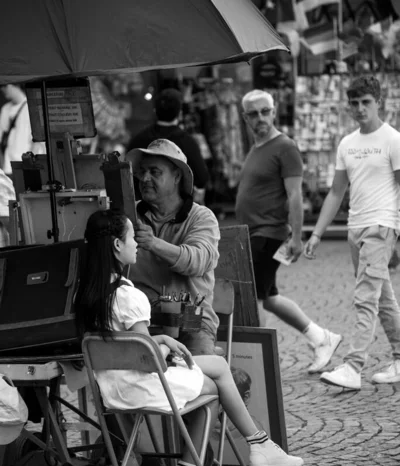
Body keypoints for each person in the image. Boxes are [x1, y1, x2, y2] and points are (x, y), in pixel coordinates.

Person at [75, 210, 304, 466]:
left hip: (113, 389)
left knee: (217, 370)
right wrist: (167, 346)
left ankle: (254, 448)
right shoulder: (129, 297)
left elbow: (122, 342)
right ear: (118, 245)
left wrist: (162, 339)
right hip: (141, 386)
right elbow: (148, 359)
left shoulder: (89, 294)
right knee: (212, 389)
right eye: (132, 237)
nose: (136, 244)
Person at [236, 89, 341, 374]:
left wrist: (296, 237)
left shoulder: (285, 147)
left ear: (274, 111)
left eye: (264, 111)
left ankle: (254, 366)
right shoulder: (258, 148)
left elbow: (294, 195)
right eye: (253, 113)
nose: (260, 118)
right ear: (245, 118)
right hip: (253, 234)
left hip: (268, 233)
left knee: (254, 297)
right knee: (268, 297)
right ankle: (321, 338)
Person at [305, 75, 400, 390]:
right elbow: (336, 192)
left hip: (381, 227)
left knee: (365, 298)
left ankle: (354, 365)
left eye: (366, 103)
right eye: (355, 103)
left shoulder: (393, 140)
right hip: (354, 230)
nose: (360, 109)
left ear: (379, 102)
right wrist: (317, 233)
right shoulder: (347, 143)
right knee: (382, 299)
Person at [126, 138, 218, 356]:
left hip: (191, 315)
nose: (145, 178)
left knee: (196, 374)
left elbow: (197, 261)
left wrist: (153, 243)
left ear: (177, 176)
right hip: (142, 317)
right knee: (123, 374)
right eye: (142, 172)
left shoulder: (201, 217)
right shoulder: (129, 215)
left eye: (155, 172)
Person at [126, 88, 209, 196]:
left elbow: (126, 175)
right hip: (175, 207)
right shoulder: (187, 141)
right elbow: (201, 178)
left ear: (155, 111)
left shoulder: (138, 139)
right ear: (179, 113)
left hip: (139, 204)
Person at [0, 84, 43, 178]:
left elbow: (38, 141)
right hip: (8, 166)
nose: (2, 89)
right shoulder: (5, 109)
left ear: (15, 84)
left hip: (28, 165)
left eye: (4, 85)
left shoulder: (32, 106)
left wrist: (31, 163)